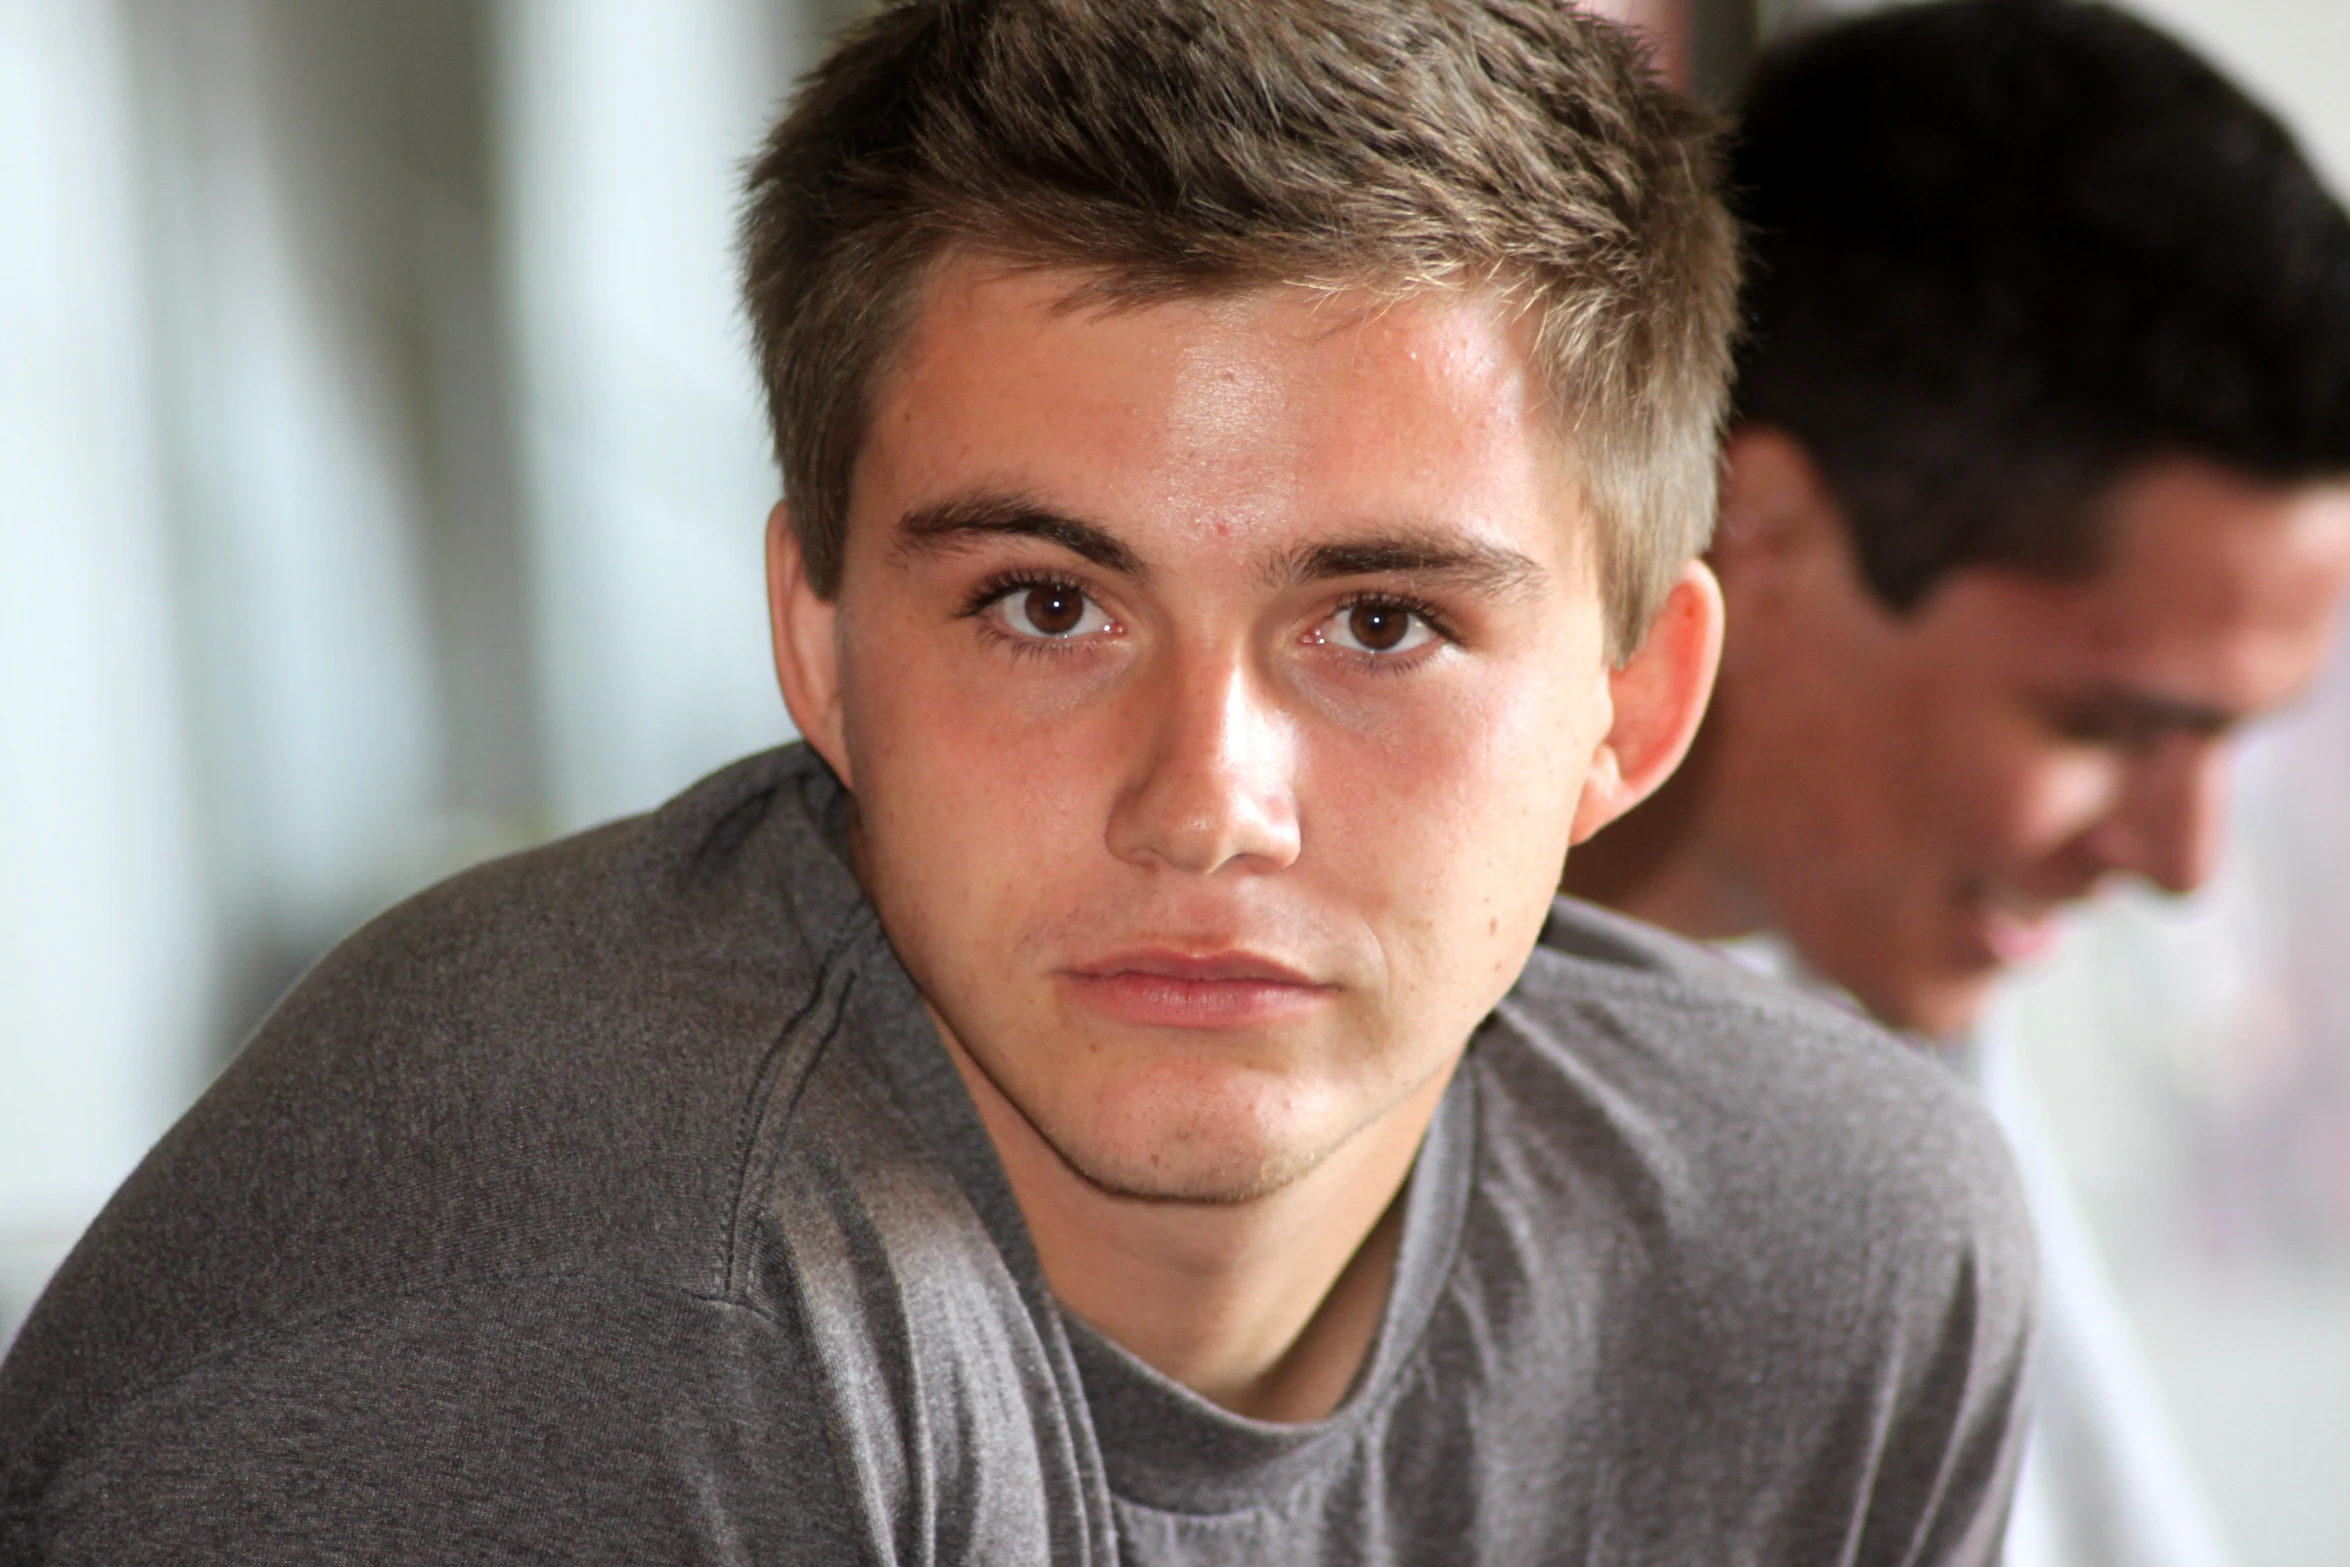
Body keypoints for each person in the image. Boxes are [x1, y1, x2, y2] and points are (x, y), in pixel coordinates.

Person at [0, 2, 2034, 1561]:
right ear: (817, 644)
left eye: (1383, 623)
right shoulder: (600, 1310)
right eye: (1046, 606)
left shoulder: (1817, 1259)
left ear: (1635, 702)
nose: (1205, 801)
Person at [1565, 3, 2350, 1565]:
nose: (2182, 860)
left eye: (2229, 739)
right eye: (2104, 725)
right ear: (1761, 532)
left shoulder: (1896, 1052)